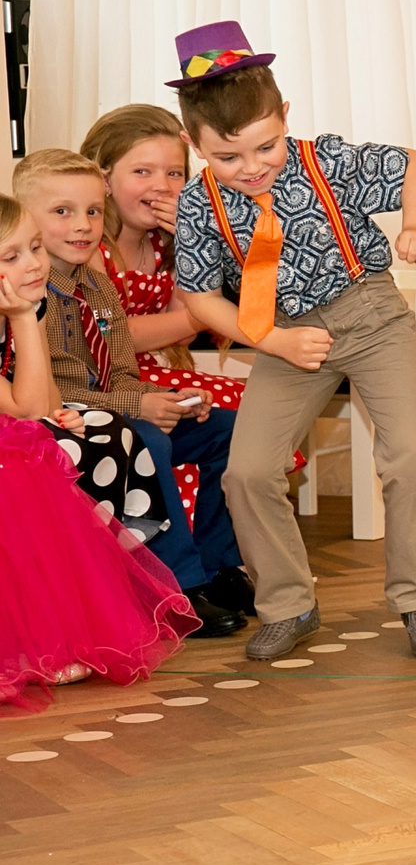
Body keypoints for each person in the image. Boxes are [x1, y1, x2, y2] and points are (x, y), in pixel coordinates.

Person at [167, 23, 416, 662]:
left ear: (284, 117)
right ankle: (288, 604)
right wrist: (270, 342)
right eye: (228, 157)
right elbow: (199, 297)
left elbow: (410, 163)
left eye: (265, 147)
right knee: (247, 472)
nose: (252, 169)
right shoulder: (196, 205)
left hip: (371, 317)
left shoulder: (326, 160)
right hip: (283, 339)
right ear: (194, 144)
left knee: (411, 456)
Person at [14, 149, 249, 637]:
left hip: (116, 413)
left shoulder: (98, 290)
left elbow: (118, 371)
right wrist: (137, 406)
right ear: (25, 220)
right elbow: (56, 394)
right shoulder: (25, 293)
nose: (83, 225)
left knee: (225, 429)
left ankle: (218, 567)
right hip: (65, 426)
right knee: (149, 439)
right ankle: (177, 589)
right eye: (63, 212)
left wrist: (168, 398)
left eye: (94, 211)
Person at [0, 191, 199, 710]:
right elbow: (22, 411)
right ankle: (33, 641)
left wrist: (50, 414)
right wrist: (25, 321)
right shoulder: (19, 310)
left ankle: (83, 617)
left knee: (103, 430)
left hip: (13, 424)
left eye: (35, 248)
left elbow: (39, 404)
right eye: (11, 256)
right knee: (27, 465)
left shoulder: (23, 303)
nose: (34, 264)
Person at [84, 103, 249, 413]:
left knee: (254, 404)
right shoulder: (90, 249)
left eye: (174, 173)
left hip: (148, 375)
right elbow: (114, 338)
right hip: (101, 386)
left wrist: (192, 241)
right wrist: (206, 313)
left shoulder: (163, 243)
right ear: (103, 180)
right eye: (142, 171)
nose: (161, 185)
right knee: (239, 407)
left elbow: (182, 335)